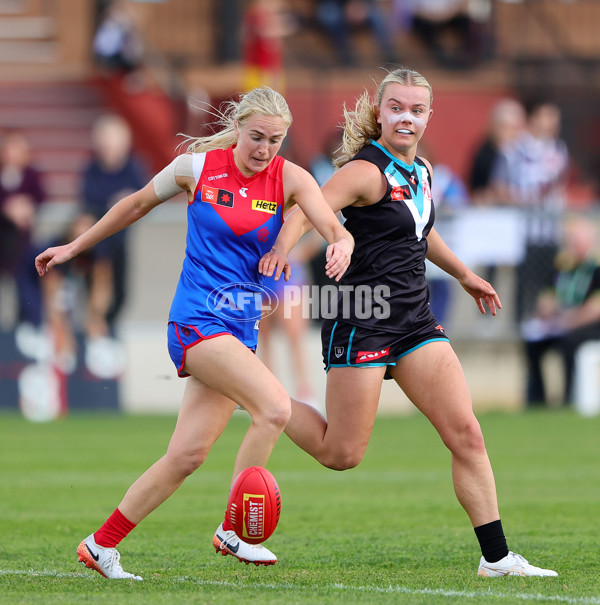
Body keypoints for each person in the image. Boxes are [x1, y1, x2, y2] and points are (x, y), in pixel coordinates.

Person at [35, 86, 354, 580]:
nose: (264, 149)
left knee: (185, 456)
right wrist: (75, 247)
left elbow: (333, 226)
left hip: (239, 329)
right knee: (274, 407)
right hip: (196, 321)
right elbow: (136, 205)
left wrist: (340, 244)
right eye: (256, 137)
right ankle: (232, 530)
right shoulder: (196, 168)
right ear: (239, 129)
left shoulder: (291, 178)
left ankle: (101, 545)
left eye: (274, 140)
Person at [258, 67, 558, 577]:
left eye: (417, 110)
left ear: (428, 117)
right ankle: (261, 395)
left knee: (466, 432)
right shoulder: (364, 171)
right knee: (341, 453)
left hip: (415, 320)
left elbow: (422, 232)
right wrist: (279, 257)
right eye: (397, 107)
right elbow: (303, 212)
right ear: (380, 113)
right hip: (363, 316)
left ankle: (497, 557)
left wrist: (465, 275)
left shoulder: (422, 172)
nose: (406, 117)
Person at [492, 101, 570, 324]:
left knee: (549, 283)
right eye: (547, 116)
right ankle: (519, 326)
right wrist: (525, 200)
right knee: (523, 283)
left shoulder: (559, 149)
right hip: (524, 230)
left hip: (550, 230)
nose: (552, 123)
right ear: (534, 118)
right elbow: (499, 187)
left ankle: (544, 325)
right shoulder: (514, 149)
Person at [522, 218, 600, 407]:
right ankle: (537, 399)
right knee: (533, 344)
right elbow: (547, 296)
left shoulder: (595, 270)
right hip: (561, 324)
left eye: (578, 242)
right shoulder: (562, 269)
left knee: (569, 342)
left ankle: (568, 398)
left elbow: (595, 308)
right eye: (571, 242)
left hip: (586, 327)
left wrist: (571, 320)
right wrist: (547, 309)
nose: (574, 246)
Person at [81, 113, 148, 335]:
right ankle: (94, 324)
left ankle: (109, 325)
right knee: (95, 284)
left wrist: (127, 201)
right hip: (98, 242)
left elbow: (145, 199)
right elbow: (89, 201)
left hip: (120, 240)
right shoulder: (92, 169)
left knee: (120, 290)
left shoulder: (134, 167)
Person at [0, 130, 46, 337]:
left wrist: (27, 207)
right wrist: (7, 209)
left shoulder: (31, 175)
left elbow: (41, 198)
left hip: (22, 246)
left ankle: (27, 327)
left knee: (24, 289)